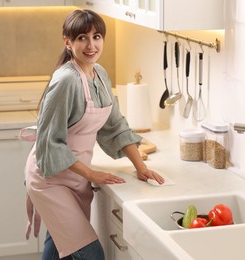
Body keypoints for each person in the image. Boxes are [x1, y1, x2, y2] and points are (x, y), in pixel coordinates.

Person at [23, 9, 164, 260]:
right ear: (67, 42)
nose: (91, 45)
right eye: (82, 38)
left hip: (75, 175)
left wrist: (140, 166)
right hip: (49, 178)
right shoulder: (66, 80)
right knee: (90, 254)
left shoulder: (99, 73)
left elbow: (115, 125)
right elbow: (49, 144)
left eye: (97, 36)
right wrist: (91, 174)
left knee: (59, 245)